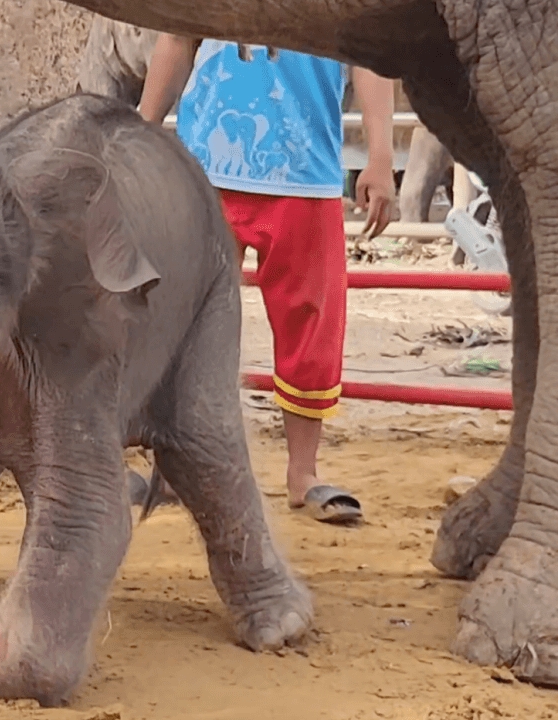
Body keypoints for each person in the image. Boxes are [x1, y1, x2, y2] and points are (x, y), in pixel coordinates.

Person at [140, 38, 396, 523]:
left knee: (312, 323)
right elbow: (175, 36)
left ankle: (304, 472)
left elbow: (368, 54)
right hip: (206, 167)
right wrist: (142, 127)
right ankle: (175, 464)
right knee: (186, 320)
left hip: (306, 170)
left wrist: (381, 155)